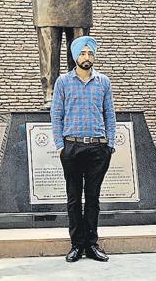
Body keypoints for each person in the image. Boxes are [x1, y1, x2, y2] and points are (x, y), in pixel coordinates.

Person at [50, 35, 115, 264]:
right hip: (72, 147)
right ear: (75, 55)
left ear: (94, 56)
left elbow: (110, 114)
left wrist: (110, 145)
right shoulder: (63, 82)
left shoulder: (104, 82)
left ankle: (92, 244)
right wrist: (60, 146)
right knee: (74, 198)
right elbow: (56, 115)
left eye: (90, 53)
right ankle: (76, 245)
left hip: (98, 148)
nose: (86, 57)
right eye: (82, 53)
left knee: (94, 199)